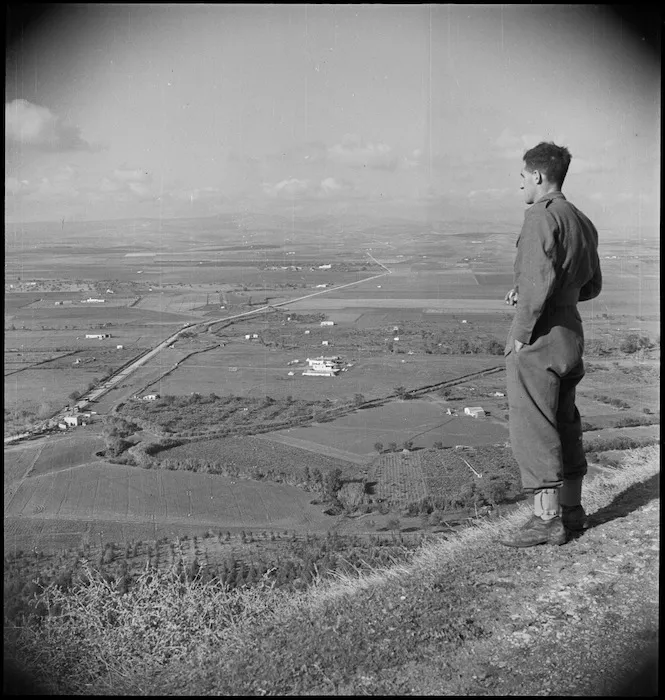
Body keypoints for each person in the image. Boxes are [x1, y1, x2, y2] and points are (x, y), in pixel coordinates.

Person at [499, 141, 602, 548]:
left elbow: (538, 284)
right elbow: (590, 286)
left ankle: (546, 522)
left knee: (533, 424)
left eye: (522, 177)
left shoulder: (540, 218)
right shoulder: (580, 219)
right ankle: (573, 514)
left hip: (539, 336)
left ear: (538, 176)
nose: (520, 185)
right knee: (566, 421)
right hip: (570, 333)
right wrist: (540, 294)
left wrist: (521, 333)